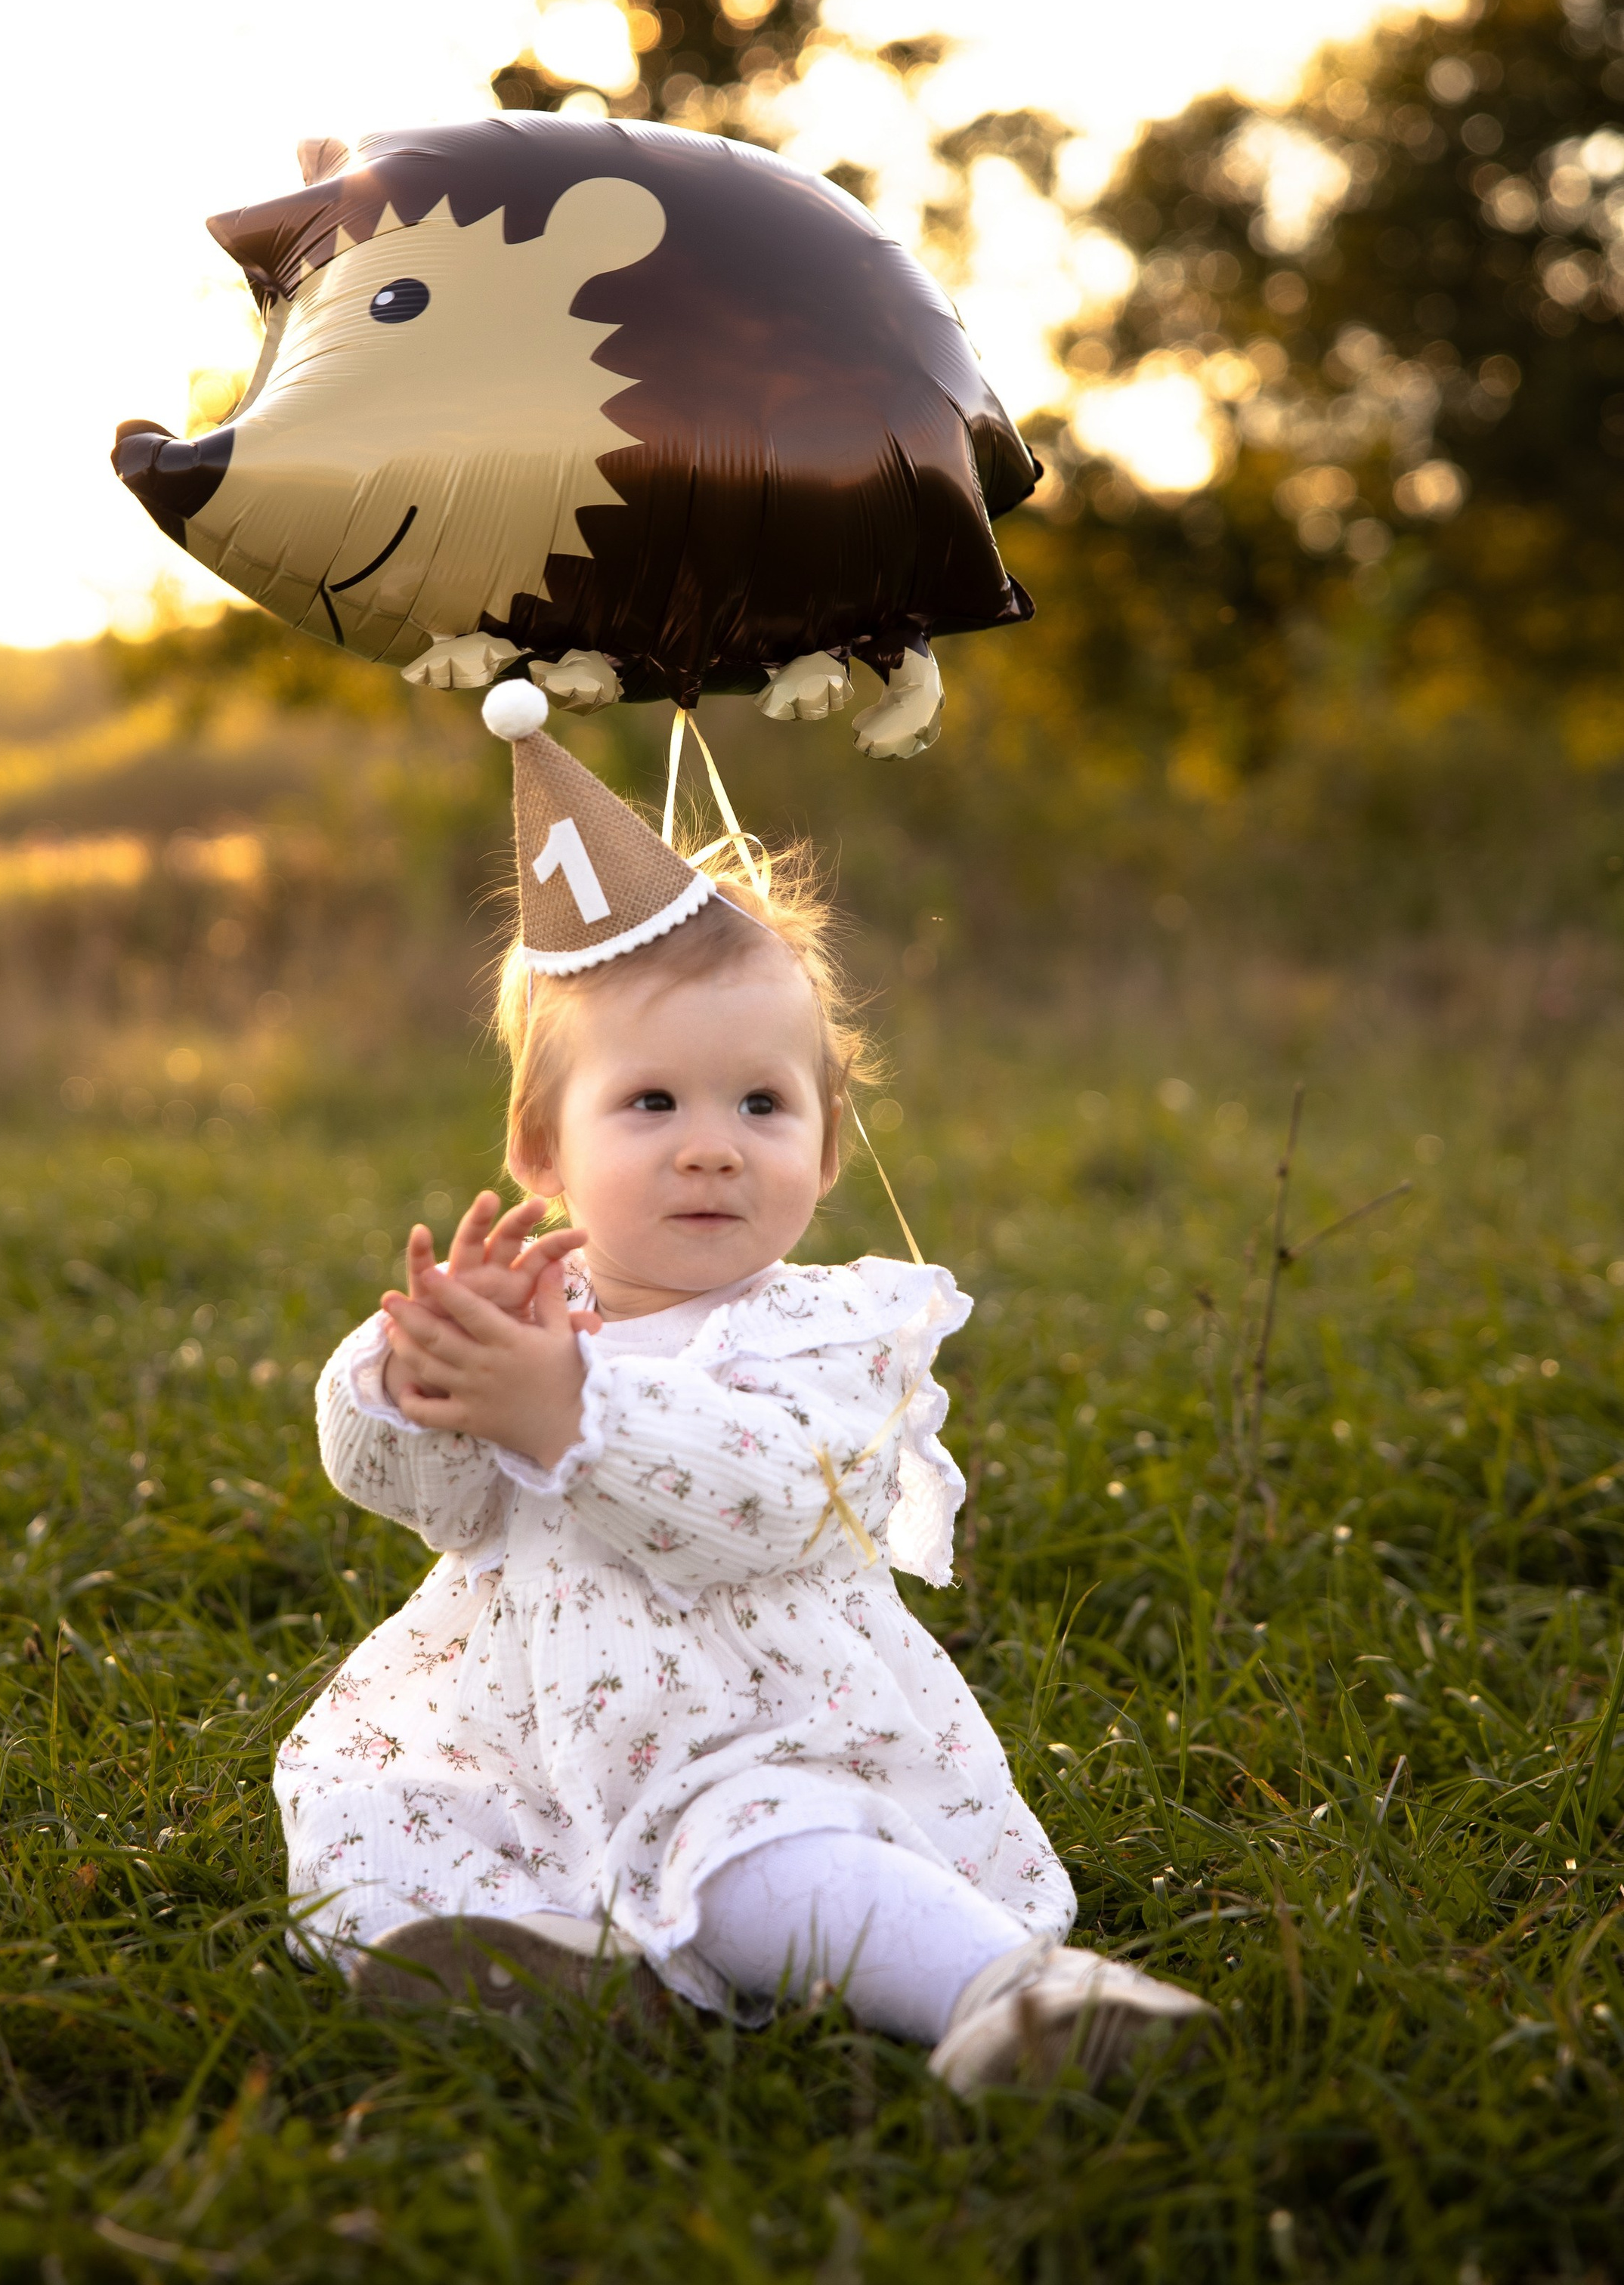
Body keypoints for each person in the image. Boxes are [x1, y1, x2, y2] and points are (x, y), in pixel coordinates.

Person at [274, 687, 1208, 2092]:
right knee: (378, 1818)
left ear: (829, 1152)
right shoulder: (539, 1311)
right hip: (522, 1722)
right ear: (543, 1150)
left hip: (754, 1718)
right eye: (652, 1105)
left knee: (758, 1848)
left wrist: (567, 1414)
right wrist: (418, 1379)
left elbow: (773, 1496)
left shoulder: (835, 1332)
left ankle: (1011, 1993)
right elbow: (434, 1502)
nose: (712, 1148)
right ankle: (578, 1979)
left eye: (762, 1106)